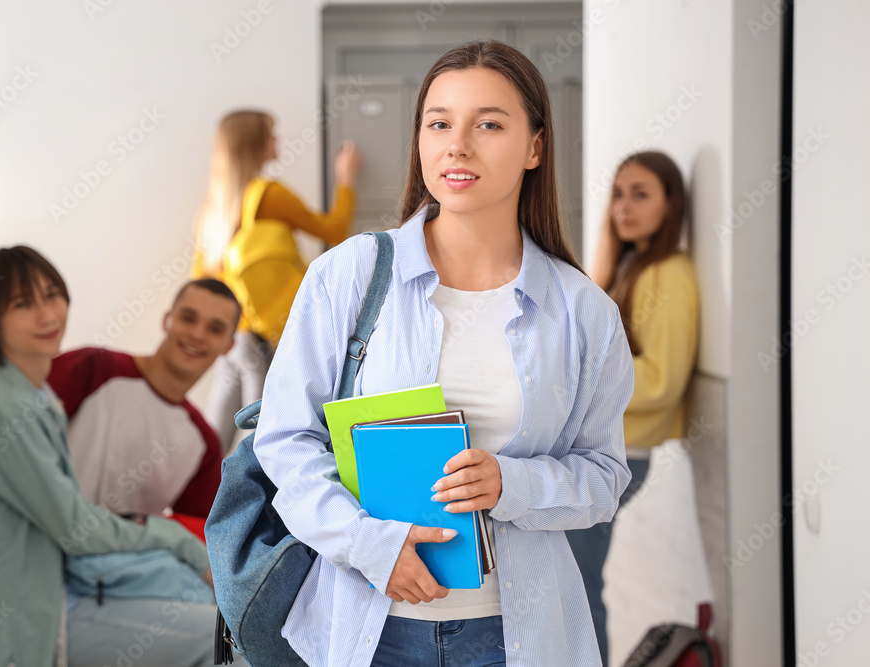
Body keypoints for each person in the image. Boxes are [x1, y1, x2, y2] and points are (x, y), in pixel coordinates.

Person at [251, 41, 634, 667]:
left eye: (488, 123)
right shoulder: (349, 275)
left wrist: (512, 482)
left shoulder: (581, 311)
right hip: (366, 629)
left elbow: (603, 477)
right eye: (438, 123)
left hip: (516, 637)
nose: (457, 144)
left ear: (535, 147)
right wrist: (371, 545)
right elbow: (287, 440)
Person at [0, 246, 217, 667]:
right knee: (228, 639)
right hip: (38, 624)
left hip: (62, 588)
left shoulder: (33, 395)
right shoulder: (2, 410)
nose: (47, 315)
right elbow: (76, 528)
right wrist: (174, 538)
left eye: (51, 295)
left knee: (219, 606)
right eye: (23, 304)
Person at [566, 150, 700, 665]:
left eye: (641, 194)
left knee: (577, 584)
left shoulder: (669, 273)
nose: (624, 206)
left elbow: (662, 380)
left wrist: (578, 384)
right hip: (609, 447)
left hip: (624, 453)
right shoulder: (628, 265)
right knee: (575, 577)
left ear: (672, 203)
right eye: (619, 193)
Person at [191, 109, 362, 453]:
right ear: (255, 142)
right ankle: (248, 506)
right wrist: (346, 180)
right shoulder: (268, 195)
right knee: (262, 437)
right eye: (271, 133)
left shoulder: (215, 205)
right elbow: (334, 231)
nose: (277, 140)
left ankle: (199, 500)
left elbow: (204, 277)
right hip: (260, 336)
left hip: (231, 337)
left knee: (215, 435)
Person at [46, 278, 239, 532]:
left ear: (229, 345)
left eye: (215, 329)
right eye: (188, 318)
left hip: (111, 567)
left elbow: (203, 535)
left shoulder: (205, 445)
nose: (197, 334)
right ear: (166, 320)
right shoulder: (92, 368)